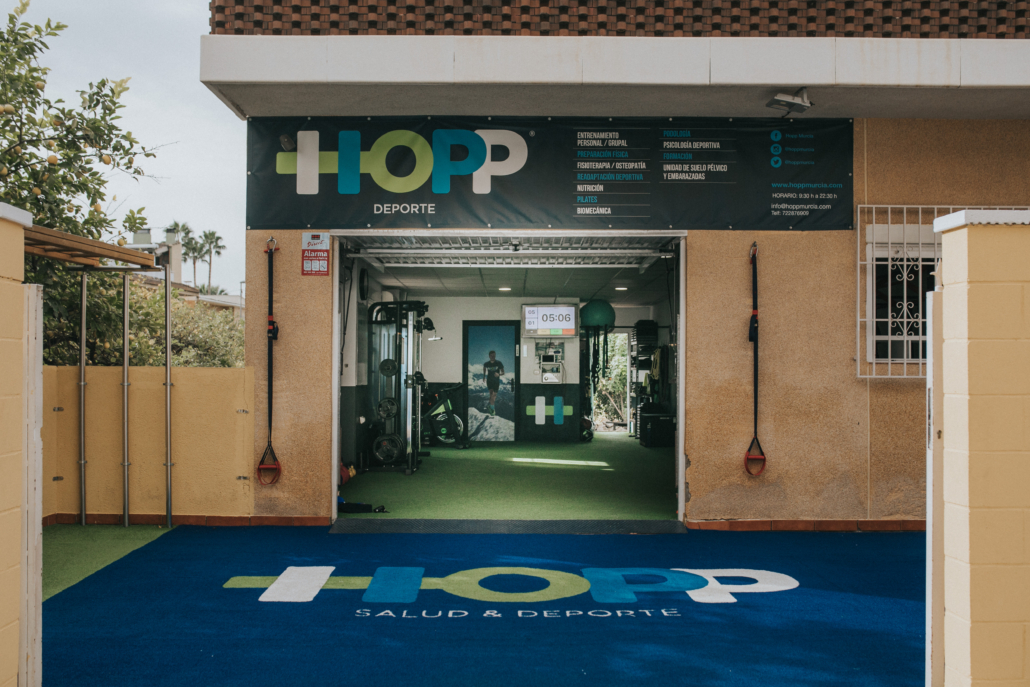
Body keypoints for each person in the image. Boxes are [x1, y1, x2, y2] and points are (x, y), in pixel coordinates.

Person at [483, 350, 505, 415]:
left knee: (494, 396)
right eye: (491, 356)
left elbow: (503, 372)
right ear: (489, 356)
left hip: (496, 381)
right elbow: (484, 368)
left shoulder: (499, 363)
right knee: (491, 394)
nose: (493, 357)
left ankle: (490, 405)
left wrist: (499, 374)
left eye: (494, 355)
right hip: (489, 381)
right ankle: (492, 410)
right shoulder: (486, 364)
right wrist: (484, 376)